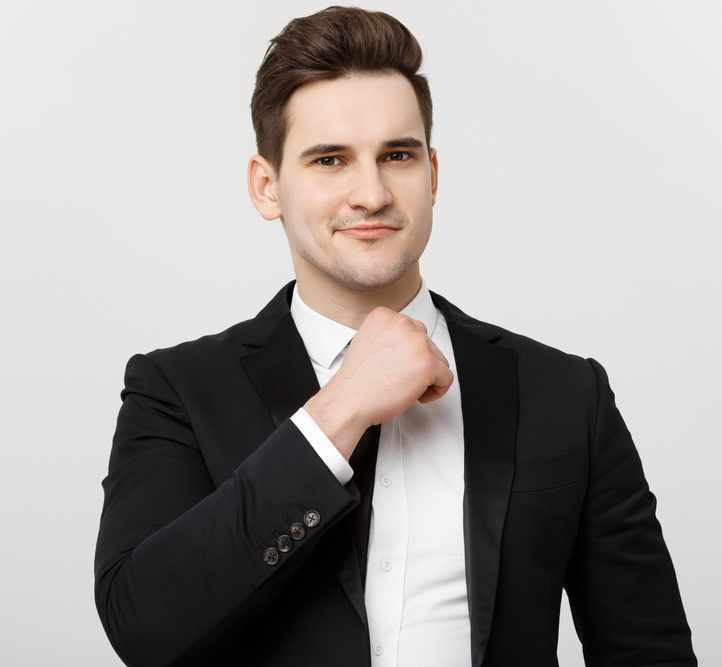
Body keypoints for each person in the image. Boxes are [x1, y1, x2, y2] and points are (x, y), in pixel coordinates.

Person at [95, 7, 696, 667]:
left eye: (398, 155)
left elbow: (649, 649)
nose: (372, 193)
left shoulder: (567, 392)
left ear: (432, 174)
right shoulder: (176, 390)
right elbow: (143, 628)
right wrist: (340, 408)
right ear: (267, 188)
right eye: (330, 159)